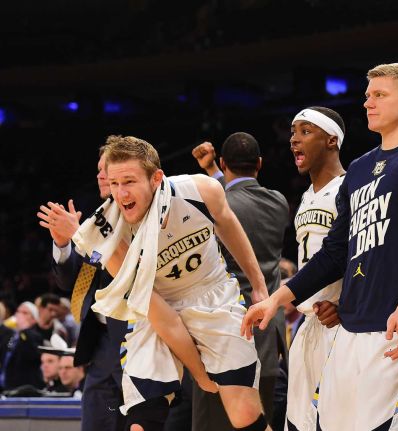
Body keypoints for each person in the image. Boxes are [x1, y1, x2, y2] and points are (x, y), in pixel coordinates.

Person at [242, 63, 398, 431]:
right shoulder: (358, 169)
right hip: (350, 328)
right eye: (368, 95)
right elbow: (335, 252)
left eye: (380, 95)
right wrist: (276, 299)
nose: (368, 103)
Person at [69, 135, 273, 431]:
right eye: (114, 184)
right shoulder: (108, 233)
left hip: (211, 293)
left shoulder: (201, 189)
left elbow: (227, 224)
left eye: (129, 181)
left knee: (244, 414)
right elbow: (164, 318)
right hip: (156, 311)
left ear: (156, 178)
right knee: (142, 420)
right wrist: (201, 376)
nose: (120, 193)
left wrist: (258, 284)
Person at [192, 131, 290, 430]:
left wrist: (212, 173)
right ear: (259, 164)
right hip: (266, 336)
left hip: (223, 336)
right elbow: (237, 199)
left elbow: (226, 205)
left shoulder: (209, 207)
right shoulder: (279, 203)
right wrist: (215, 172)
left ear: (223, 161)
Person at [38, 147, 128, 431]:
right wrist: (63, 244)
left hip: (135, 341)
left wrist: (78, 233)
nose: (100, 175)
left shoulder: (141, 217)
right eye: (100, 169)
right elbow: (72, 283)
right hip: (99, 344)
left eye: (106, 169)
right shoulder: (97, 218)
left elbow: (128, 274)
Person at [282, 106, 346, 431]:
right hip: (307, 326)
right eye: (293, 132)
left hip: (340, 323)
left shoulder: (349, 188)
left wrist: (346, 304)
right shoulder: (305, 196)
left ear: (331, 139)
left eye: (305, 131)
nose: (294, 139)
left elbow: (359, 257)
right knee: (298, 424)